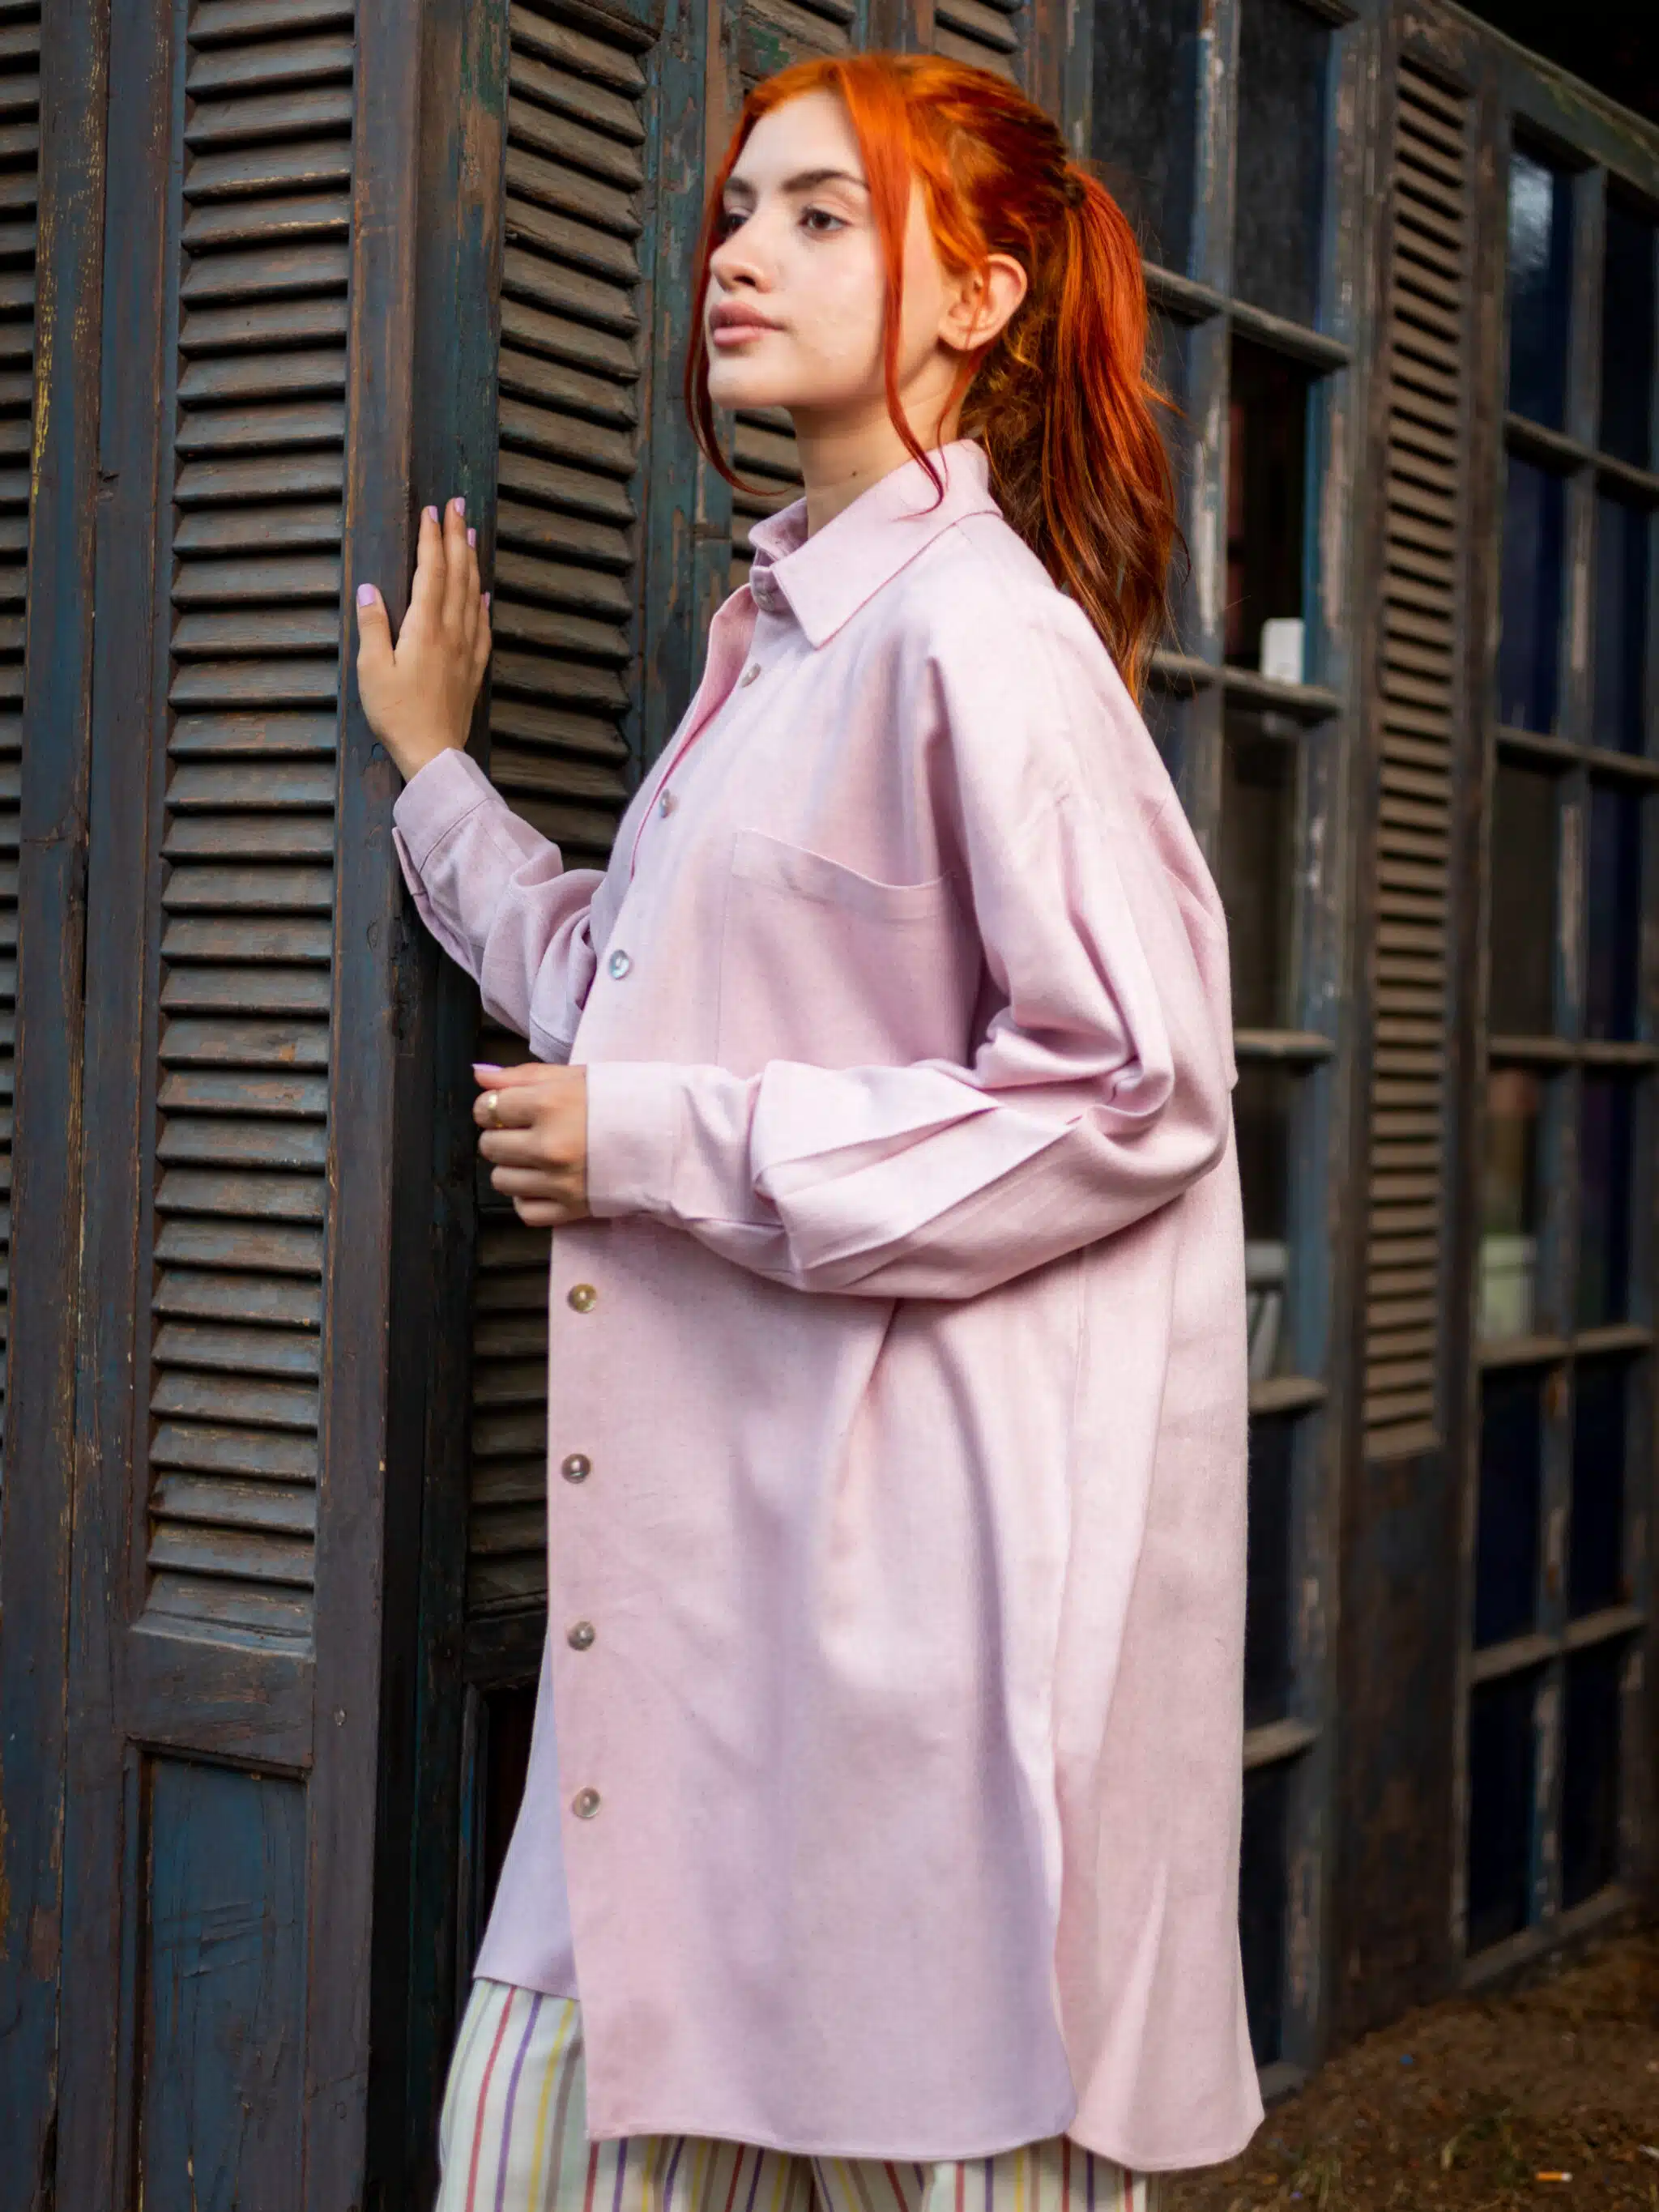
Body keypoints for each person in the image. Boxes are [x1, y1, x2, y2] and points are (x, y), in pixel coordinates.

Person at [354, 50, 1261, 2212]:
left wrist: (663, 1143)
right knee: (527, 2145)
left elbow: (1134, 1084)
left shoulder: (985, 643)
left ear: (981, 295)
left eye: (821, 215)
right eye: (738, 210)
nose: (739, 254)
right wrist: (436, 778)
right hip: (690, 1616)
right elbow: (620, 999)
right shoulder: (772, 652)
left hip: (902, 1657)